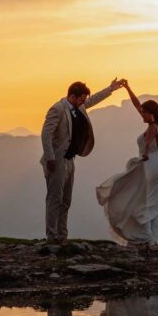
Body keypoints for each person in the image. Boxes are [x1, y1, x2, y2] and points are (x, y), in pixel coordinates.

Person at [95, 82, 158, 245]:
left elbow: (148, 141)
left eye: (144, 113)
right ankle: (152, 238)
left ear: (150, 114)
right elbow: (138, 105)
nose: (141, 115)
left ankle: (145, 236)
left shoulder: (152, 126)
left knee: (144, 201)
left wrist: (143, 154)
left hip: (150, 166)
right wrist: (128, 89)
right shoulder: (154, 122)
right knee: (152, 203)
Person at [41, 77, 124, 242]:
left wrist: (110, 89)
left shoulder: (79, 107)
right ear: (72, 96)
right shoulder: (57, 109)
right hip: (57, 160)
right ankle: (51, 236)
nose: (84, 102)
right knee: (54, 199)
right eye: (81, 99)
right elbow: (46, 134)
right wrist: (50, 158)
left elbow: (93, 100)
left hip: (70, 160)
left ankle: (62, 236)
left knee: (66, 201)